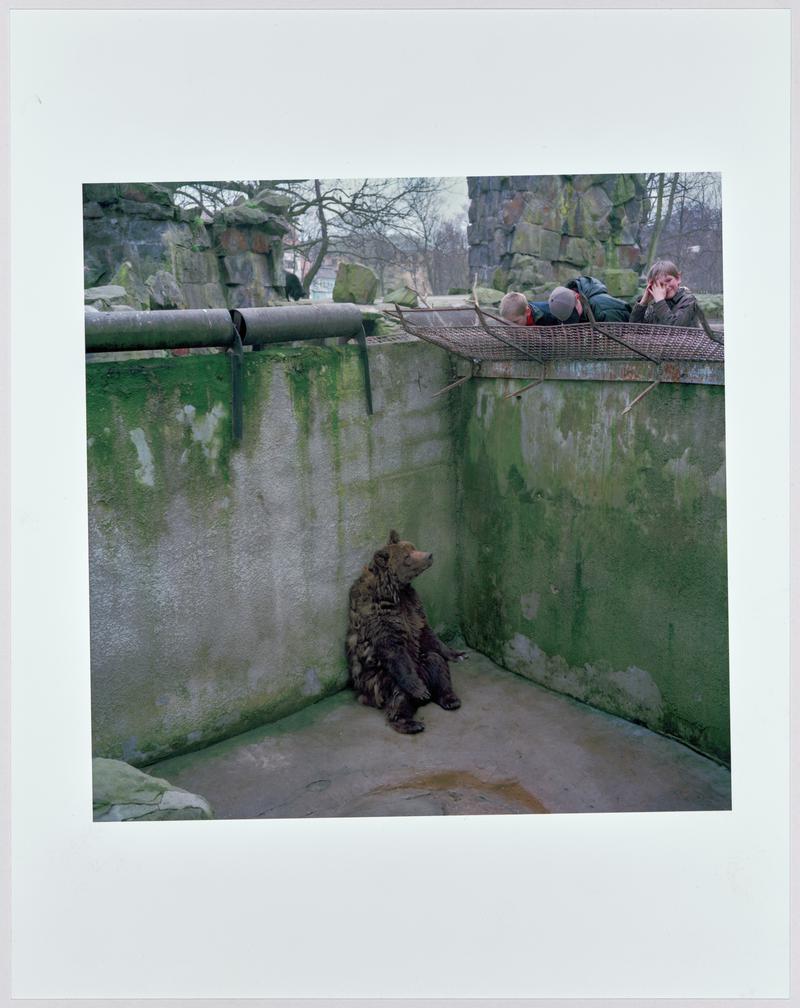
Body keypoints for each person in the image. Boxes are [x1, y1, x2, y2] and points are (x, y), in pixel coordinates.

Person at [629, 260, 698, 327]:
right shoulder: (655, 306)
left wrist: (660, 301)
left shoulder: (689, 301)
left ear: (678, 278)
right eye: (660, 284)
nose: (666, 286)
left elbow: (675, 327)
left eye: (668, 280)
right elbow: (634, 329)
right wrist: (643, 302)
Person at [547, 276, 631, 323]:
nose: (575, 318)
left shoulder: (604, 310)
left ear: (577, 297)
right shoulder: (577, 302)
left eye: (574, 313)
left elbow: (615, 345)